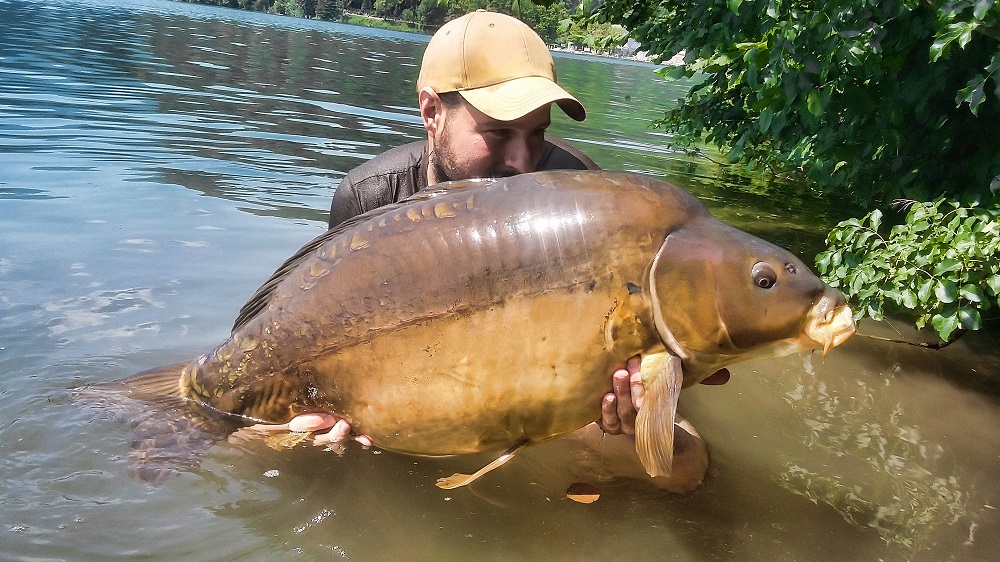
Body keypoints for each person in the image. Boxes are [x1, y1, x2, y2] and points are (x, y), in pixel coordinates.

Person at [286, 10, 726, 489]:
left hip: (546, 373)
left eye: (537, 132)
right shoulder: (370, 199)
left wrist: (633, 406)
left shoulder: (582, 196)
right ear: (432, 112)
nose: (522, 161)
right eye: (498, 132)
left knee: (688, 470)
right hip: (425, 390)